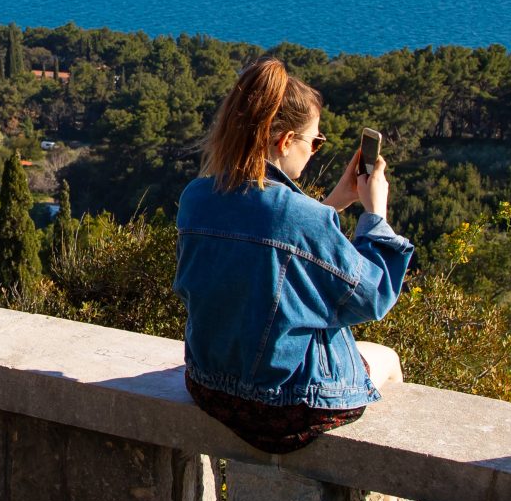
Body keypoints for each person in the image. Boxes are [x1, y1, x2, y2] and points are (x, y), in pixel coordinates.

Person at [176, 58, 415, 454]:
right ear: (285, 141)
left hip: (209, 388)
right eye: (315, 141)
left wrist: (333, 204)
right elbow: (373, 295)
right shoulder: (304, 218)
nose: (315, 151)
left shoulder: (196, 198)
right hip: (289, 405)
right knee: (386, 358)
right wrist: (376, 214)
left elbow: (272, 240)